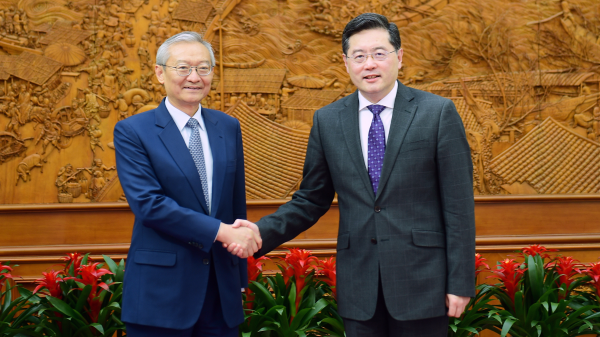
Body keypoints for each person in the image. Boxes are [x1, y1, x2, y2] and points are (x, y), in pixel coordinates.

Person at [231, 13, 475, 337]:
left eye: (379, 54)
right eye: (359, 56)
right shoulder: (328, 121)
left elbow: (458, 206)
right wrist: (260, 233)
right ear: (346, 64)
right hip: (360, 288)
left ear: (399, 57)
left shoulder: (437, 113)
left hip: (423, 283)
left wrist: (460, 283)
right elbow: (310, 200)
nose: (369, 64)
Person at [113, 31, 262, 337]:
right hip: (161, 293)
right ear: (160, 73)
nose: (194, 77)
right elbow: (149, 206)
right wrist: (222, 232)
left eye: (204, 68)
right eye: (183, 68)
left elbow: (235, 202)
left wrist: (239, 277)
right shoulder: (133, 131)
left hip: (221, 294)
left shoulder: (228, 126)